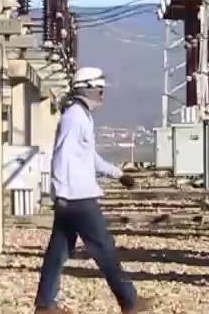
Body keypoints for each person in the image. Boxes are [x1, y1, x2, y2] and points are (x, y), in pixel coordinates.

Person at [35, 66, 152, 314]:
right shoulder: (74, 117)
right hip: (78, 199)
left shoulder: (82, 116)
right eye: (99, 88)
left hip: (73, 198)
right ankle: (129, 302)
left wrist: (119, 175)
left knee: (58, 251)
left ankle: (45, 305)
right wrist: (62, 193)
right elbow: (62, 156)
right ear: (86, 88)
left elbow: (90, 157)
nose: (102, 93)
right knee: (105, 249)